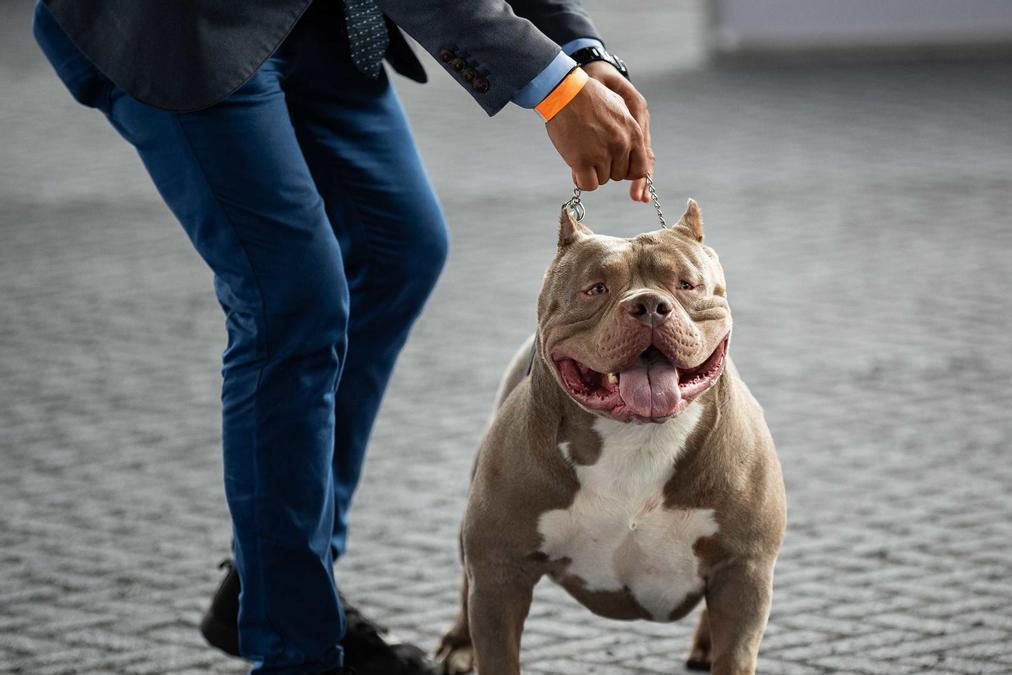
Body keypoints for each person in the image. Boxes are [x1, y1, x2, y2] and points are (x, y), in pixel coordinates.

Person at [31, 1, 654, 673]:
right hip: (181, 26)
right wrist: (556, 88)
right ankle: (293, 646)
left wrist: (581, 52)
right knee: (291, 302)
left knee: (399, 249)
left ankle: (278, 575)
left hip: (312, 18)